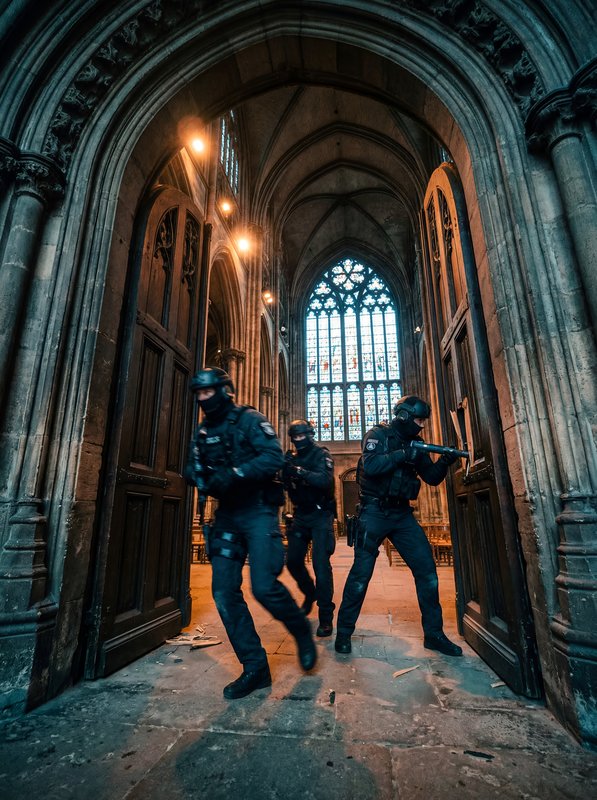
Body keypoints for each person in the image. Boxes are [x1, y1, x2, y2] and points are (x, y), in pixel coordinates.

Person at [187, 368, 317, 699]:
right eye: (199, 395)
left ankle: (300, 629)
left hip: (258, 511)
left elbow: (273, 457)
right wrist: (197, 475)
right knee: (223, 591)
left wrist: (235, 474)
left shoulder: (249, 419)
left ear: (225, 391)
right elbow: (197, 465)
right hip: (228, 516)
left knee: (263, 586)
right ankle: (255, 667)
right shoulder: (203, 431)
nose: (204, 400)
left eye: (209, 393)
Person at [335, 396, 463, 657]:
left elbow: (432, 478)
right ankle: (343, 632)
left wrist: (445, 461)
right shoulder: (379, 435)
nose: (422, 427)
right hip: (373, 512)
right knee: (360, 575)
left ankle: (434, 634)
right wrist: (405, 453)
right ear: (403, 417)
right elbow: (371, 465)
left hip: (402, 514)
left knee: (427, 571)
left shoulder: (416, 443)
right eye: (418, 421)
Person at [283, 420, 336, 638]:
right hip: (301, 514)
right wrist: (285, 470)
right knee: (293, 560)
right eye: (294, 438)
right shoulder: (293, 457)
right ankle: (309, 592)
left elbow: (324, 480)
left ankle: (325, 617)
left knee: (321, 565)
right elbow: (287, 487)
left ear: (310, 435)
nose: (298, 441)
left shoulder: (321, 454)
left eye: (301, 436)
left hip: (321, 515)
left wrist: (299, 471)